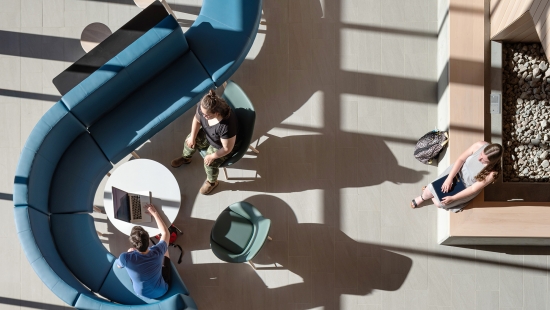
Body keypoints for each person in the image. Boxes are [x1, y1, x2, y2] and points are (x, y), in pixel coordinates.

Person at [171, 89, 240, 195]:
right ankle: (186, 158)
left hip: (220, 145)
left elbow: (227, 148)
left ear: (216, 113)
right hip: (209, 134)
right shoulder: (204, 107)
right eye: (202, 112)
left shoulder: (226, 126)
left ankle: (212, 182)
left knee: (209, 163)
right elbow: (197, 119)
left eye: (206, 115)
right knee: (189, 140)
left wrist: (212, 156)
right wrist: (192, 137)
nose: (203, 116)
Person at [411, 141, 503, 212]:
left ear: (491, 161)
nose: (479, 158)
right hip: (457, 172)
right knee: (430, 189)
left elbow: (473, 189)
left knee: (440, 204)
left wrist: (453, 198)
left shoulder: (492, 173)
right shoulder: (479, 145)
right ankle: (422, 197)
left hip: (466, 187)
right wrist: (449, 178)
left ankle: (433, 193)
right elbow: (461, 159)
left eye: (483, 160)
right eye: (481, 154)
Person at [116, 204, 171, 299]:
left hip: (141, 293)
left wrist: (129, 252)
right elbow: (165, 233)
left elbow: (119, 266)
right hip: (162, 290)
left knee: (131, 255)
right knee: (165, 250)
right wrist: (154, 213)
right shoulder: (157, 251)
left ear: (134, 245)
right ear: (148, 239)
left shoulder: (125, 257)